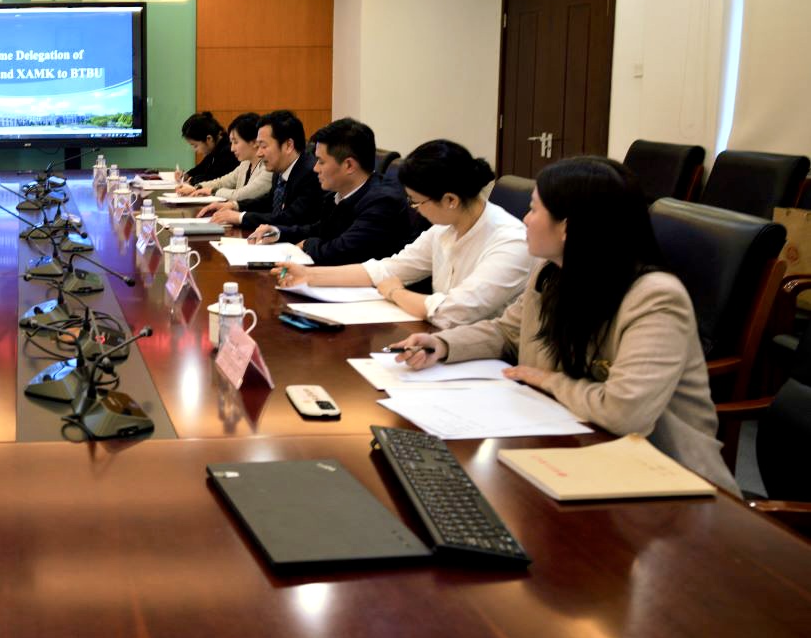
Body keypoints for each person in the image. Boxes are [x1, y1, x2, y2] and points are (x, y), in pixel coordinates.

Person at [389, 156, 739, 494]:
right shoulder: (551, 272)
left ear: (568, 227)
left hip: (666, 478)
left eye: (534, 209)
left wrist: (548, 380)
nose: (525, 220)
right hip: (572, 446)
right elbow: (507, 331)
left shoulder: (655, 298)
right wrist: (445, 344)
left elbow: (624, 413)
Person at [276, 139, 532, 327]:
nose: (414, 210)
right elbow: (389, 269)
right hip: (441, 340)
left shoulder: (511, 242)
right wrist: (309, 275)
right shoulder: (446, 227)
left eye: (416, 202)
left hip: (491, 362)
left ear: (450, 200)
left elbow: (454, 312)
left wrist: (395, 292)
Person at [240, 117, 412, 266]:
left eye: (321, 161)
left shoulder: (382, 202)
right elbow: (320, 230)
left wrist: (307, 244)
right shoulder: (336, 195)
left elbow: (342, 251)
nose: (315, 168)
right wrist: (277, 232)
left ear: (349, 165)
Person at [205, 110, 322, 233]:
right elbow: (268, 202)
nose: (259, 153)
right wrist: (235, 205)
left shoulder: (312, 173)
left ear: (288, 145)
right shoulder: (279, 169)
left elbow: (289, 218)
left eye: (264, 146)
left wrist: (240, 217)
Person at [175, 112, 271, 208]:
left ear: (254, 142)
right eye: (231, 142)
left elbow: (242, 195)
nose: (232, 148)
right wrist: (198, 187)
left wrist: (212, 191)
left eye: (236, 142)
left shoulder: (268, 168)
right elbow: (222, 182)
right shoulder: (245, 163)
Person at [177, 112, 237, 186]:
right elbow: (201, 167)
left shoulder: (228, 152)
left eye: (195, 145)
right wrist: (187, 174)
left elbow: (217, 178)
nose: (195, 150)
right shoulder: (215, 148)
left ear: (209, 139)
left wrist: (193, 180)